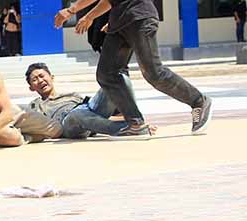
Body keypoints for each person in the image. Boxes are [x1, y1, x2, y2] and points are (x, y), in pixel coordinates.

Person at [55, 0, 212, 136]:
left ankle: (199, 101)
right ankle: (136, 123)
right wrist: (89, 17)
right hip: (120, 22)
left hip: (139, 17)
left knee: (154, 73)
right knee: (106, 74)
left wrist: (71, 10)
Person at [23, 62, 151, 139]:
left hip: (88, 114)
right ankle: (125, 130)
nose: (40, 81)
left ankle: (136, 123)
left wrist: (129, 120)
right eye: (35, 80)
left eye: (42, 76)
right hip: (67, 127)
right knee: (76, 113)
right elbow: (33, 126)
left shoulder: (72, 96)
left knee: (114, 82)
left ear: (51, 77)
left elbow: (96, 114)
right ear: (31, 88)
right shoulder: (35, 105)